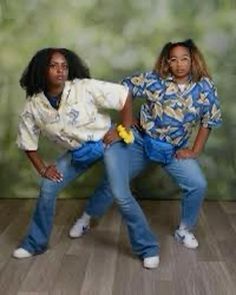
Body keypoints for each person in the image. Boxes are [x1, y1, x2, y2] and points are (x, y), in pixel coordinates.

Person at [13, 48, 159, 269]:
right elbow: (27, 142)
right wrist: (43, 169)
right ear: (41, 70)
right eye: (54, 66)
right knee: (48, 187)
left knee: (120, 193)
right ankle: (35, 243)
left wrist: (123, 126)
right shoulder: (34, 105)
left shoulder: (83, 87)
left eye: (64, 66)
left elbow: (124, 94)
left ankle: (148, 248)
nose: (60, 70)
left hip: (108, 142)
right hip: (79, 151)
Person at [70, 39, 222, 249]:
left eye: (184, 59)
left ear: (192, 60)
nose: (179, 64)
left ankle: (184, 230)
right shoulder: (155, 80)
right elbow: (124, 89)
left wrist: (195, 150)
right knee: (114, 181)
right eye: (174, 60)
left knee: (198, 184)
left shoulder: (205, 87)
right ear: (167, 63)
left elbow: (209, 120)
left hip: (173, 150)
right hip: (141, 141)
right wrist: (126, 121)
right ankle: (86, 218)